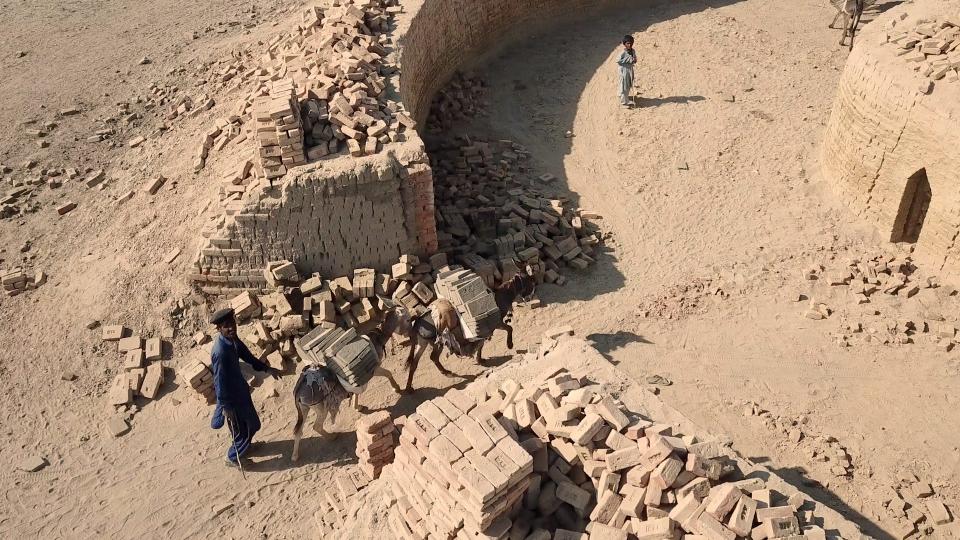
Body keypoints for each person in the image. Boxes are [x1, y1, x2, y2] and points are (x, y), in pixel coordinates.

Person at [208, 308, 281, 467]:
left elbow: (247, 356)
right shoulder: (220, 352)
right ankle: (233, 457)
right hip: (231, 399)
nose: (231, 328)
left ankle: (245, 447)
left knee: (252, 424)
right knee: (242, 429)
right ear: (219, 329)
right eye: (226, 326)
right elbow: (219, 382)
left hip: (240, 390)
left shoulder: (232, 340)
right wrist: (225, 406)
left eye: (232, 323)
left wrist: (266, 368)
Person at [617, 35, 637, 107]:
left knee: (628, 85)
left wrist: (634, 60)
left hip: (630, 70)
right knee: (624, 86)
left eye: (631, 43)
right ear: (624, 44)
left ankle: (624, 97)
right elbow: (618, 61)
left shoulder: (633, 51)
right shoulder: (622, 52)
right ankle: (624, 103)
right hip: (623, 71)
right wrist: (629, 60)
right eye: (628, 43)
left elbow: (634, 59)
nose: (630, 45)